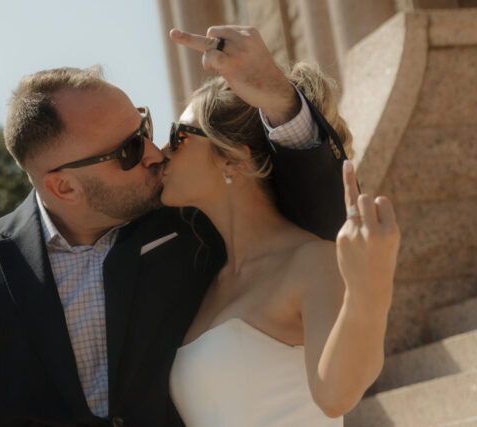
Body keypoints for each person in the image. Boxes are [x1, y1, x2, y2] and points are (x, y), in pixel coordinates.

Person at [0, 25, 349, 427]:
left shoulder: (191, 222)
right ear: (63, 187)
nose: (154, 152)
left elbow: (316, 222)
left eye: (144, 126)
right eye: (129, 150)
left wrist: (280, 101)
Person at [164, 27, 400, 426]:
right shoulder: (205, 280)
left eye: (180, 136)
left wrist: (370, 292)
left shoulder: (314, 261)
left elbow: (336, 395)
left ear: (232, 161)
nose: (163, 150)